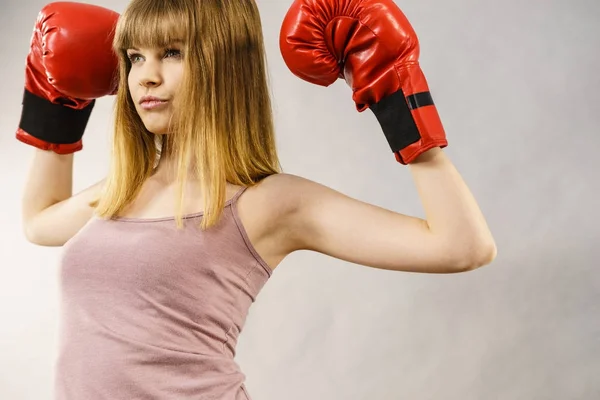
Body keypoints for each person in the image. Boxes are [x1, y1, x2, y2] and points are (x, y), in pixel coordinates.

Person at [17, 0, 497, 398]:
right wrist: (52, 102)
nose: (146, 76)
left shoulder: (268, 202)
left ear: (223, 64)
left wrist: (395, 92)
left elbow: (462, 247)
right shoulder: (126, 187)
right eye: (135, 57)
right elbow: (40, 223)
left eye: (172, 52)